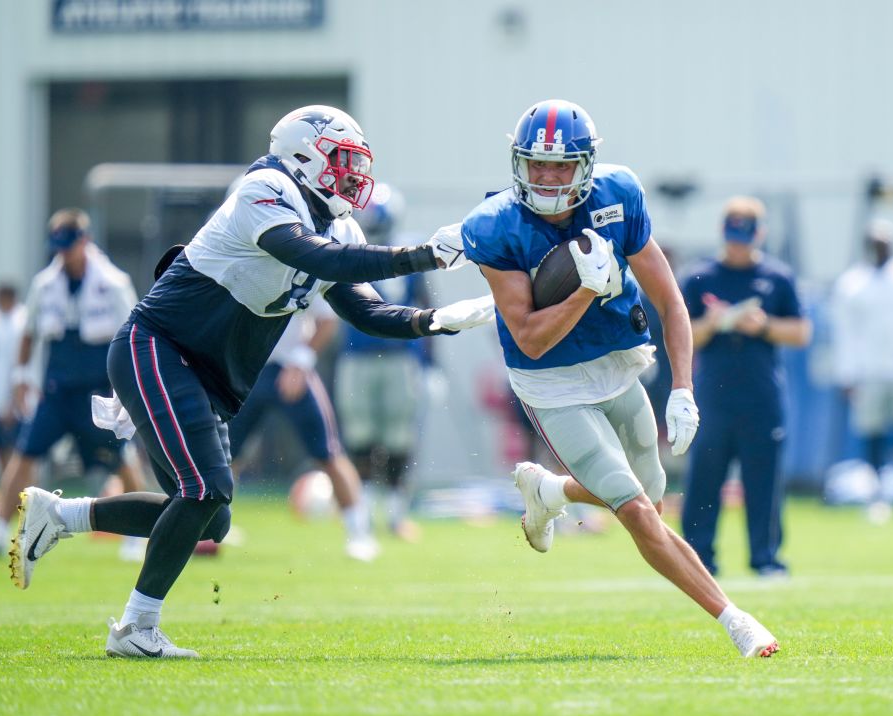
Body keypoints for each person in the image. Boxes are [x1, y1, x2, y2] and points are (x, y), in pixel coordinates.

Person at [9, 105, 494, 659]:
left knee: (211, 516)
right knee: (203, 490)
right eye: (342, 161)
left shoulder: (336, 223)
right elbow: (305, 253)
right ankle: (135, 628)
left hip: (204, 375)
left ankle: (61, 516)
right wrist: (425, 255)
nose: (352, 176)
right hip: (161, 349)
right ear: (305, 155)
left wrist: (435, 321)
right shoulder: (266, 187)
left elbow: (365, 311)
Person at [463, 98, 779, 658]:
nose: (548, 176)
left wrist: (683, 387)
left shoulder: (618, 195)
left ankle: (550, 489)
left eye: (561, 165)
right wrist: (587, 289)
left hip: (618, 365)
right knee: (634, 511)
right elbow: (532, 338)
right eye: (537, 164)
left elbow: (670, 301)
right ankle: (735, 620)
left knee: (649, 501)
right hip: (551, 382)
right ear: (519, 163)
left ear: (585, 164)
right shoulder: (495, 227)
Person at [0, 210, 147, 558]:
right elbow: (30, 334)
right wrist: (20, 377)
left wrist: (127, 391)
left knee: (121, 458)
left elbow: (132, 335)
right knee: (25, 453)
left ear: (85, 241)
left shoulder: (113, 283)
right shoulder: (45, 284)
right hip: (57, 389)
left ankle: (139, 534)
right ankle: (0, 530)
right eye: (58, 247)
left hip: (97, 389)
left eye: (68, 246)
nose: (63, 254)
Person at [679, 196, 812, 579]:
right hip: (713, 394)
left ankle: (766, 557)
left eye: (746, 235)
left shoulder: (777, 277)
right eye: (734, 235)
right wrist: (715, 323)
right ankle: (699, 558)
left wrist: (764, 325)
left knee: (764, 479)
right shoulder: (700, 276)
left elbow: (801, 331)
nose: (739, 244)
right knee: (705, 477)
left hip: (761, 394)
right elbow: (683, 333)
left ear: (760, 234)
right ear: (723, 233)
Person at [227, 298, 381, 561]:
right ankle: (213, 526)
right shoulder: (239, 262)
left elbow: (327, 319)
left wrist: (301, 360)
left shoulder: (299, 263)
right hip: (247, 369)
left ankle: (359, 534)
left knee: (328, 452)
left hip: (292, 368)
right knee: (223, 453)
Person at [335, 183, 433, 542]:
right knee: (360, 437)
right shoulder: (347, 249)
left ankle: (394, 514)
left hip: (399, 358)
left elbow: (424, 308)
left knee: (397, 439)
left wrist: (431, 366)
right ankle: (361, 515)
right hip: (358, 358)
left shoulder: (408, 253)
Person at [832, 219, 893, 474]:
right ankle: (877, 490)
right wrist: (847, 374)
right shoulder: (852, 283)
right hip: (868, 370)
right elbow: (845, 332)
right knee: (871, 431)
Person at [0, 283, 28, 476]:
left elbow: (16, 364)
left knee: (22, 449)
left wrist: (13, 401)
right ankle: (9, 491)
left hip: (18, 398)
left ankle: (25, 492)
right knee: (2, 447)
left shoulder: (21, 320)